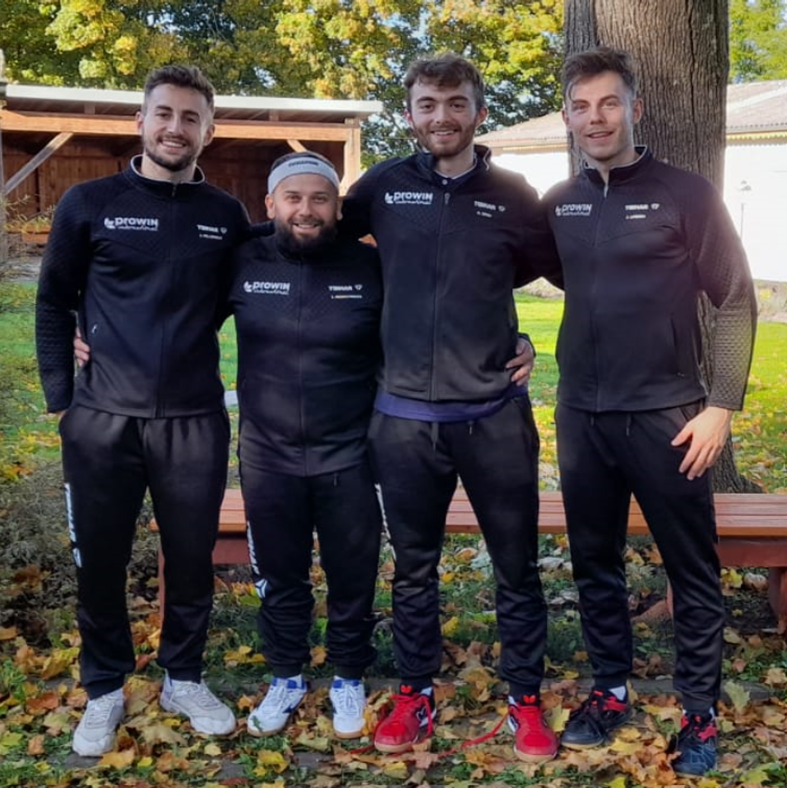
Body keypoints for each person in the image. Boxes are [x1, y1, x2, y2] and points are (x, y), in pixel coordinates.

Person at [340, 53, 563, 762]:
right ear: (410, 113)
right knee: (413, 568)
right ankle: (414, 694)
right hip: (404, 420)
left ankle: (524, 700)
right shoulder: (380, 187)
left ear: (478, 111)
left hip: (494, 416)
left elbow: (546, 270)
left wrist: (521, 338)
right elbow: (317, 249)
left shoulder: (514, 194)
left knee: (516, 567)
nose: (442, 116)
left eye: (456, 103)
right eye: (428, 104)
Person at [544, 47, 757, 776]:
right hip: (581, 416)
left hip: (669, 416)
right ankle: (609, 691)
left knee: (691, 570)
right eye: (581, 106)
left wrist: (721, 405)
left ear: (634, 108)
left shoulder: (686, 194)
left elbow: (734, 298)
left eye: (609, 103)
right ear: (568, 117)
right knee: (593, 564)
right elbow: (543, 276)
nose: (595, 118)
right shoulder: (560, 203)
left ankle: (698, 711)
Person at [35, 65, 249, 757]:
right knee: (100, 561)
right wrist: (62, 398)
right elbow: (53, 299)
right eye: (164, 113)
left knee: (190, 559)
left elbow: (236, 300)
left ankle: (183, 677)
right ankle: (104, 687)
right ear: (141, 120)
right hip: (101, 418)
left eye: (190, 118)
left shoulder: (225, 216)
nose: (174, 128)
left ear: (208, 131)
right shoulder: (89, 202)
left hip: (193, 420)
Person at [227, 152, 383, 739]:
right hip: (267, 454)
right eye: (292, 198)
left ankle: (348, 675)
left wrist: (515, 339)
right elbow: (172, 314)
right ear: (270, 204)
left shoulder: (369, 265)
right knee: (281, 576)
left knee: (352, 574)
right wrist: (90, 331)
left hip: (350, 453)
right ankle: (286, 675)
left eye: (320, 198)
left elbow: (430, 325)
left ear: (337, 207)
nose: (306, 209)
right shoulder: (241, 260)